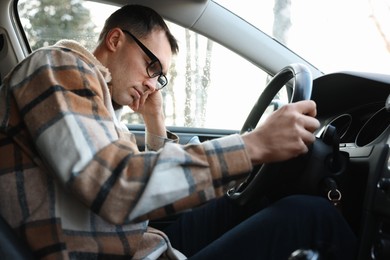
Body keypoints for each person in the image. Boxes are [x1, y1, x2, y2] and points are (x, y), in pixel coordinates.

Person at [0, 4, 356, 260]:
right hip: (125, 250)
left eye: (160, 77)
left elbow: (145, 195)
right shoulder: (59, 66)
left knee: (260, 199)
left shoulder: (102, 109)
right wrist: (252, 145)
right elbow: (115, 186)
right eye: (150, 65)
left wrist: (156, 123)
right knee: (312, 217)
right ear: (114, 40)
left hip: (139, 242)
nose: (152, 84)